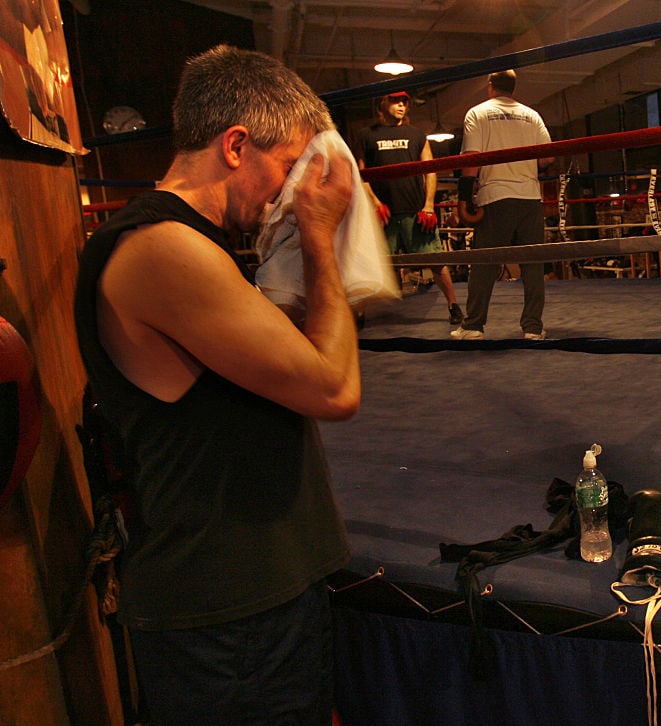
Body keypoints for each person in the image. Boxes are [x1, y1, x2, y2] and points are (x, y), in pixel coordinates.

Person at [73, 45, 358, 725]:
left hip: (251, 603)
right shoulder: (161, 248)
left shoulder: (201, 246)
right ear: (236, 145)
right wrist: (318, 240)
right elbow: (334, 388)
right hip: (227, 617)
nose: (291, 194)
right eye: (288, 169)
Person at [451, 69, 553, 340]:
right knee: (533, 265)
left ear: (490, 86)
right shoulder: (532, 115)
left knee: (484, 263)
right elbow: (547, 159)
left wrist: (464, 198)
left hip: (495, 197)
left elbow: (471, 158)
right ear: (514, 87)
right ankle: (532, 328)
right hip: (530, 198)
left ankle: (473, 326)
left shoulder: (478, 113)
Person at [357, 90, 463, 326]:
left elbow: (430, 169)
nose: (401, 105)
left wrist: (428, 205)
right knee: (371, 263)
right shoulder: (367, 135)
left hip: (415, 210)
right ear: (382, 103)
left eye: (404, 101)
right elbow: (361, 173)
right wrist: (375, 202)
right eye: (395, 100)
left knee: (436, 261)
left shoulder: (417, 134)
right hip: (384, 214)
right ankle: (359, 313)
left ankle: (453, 305)